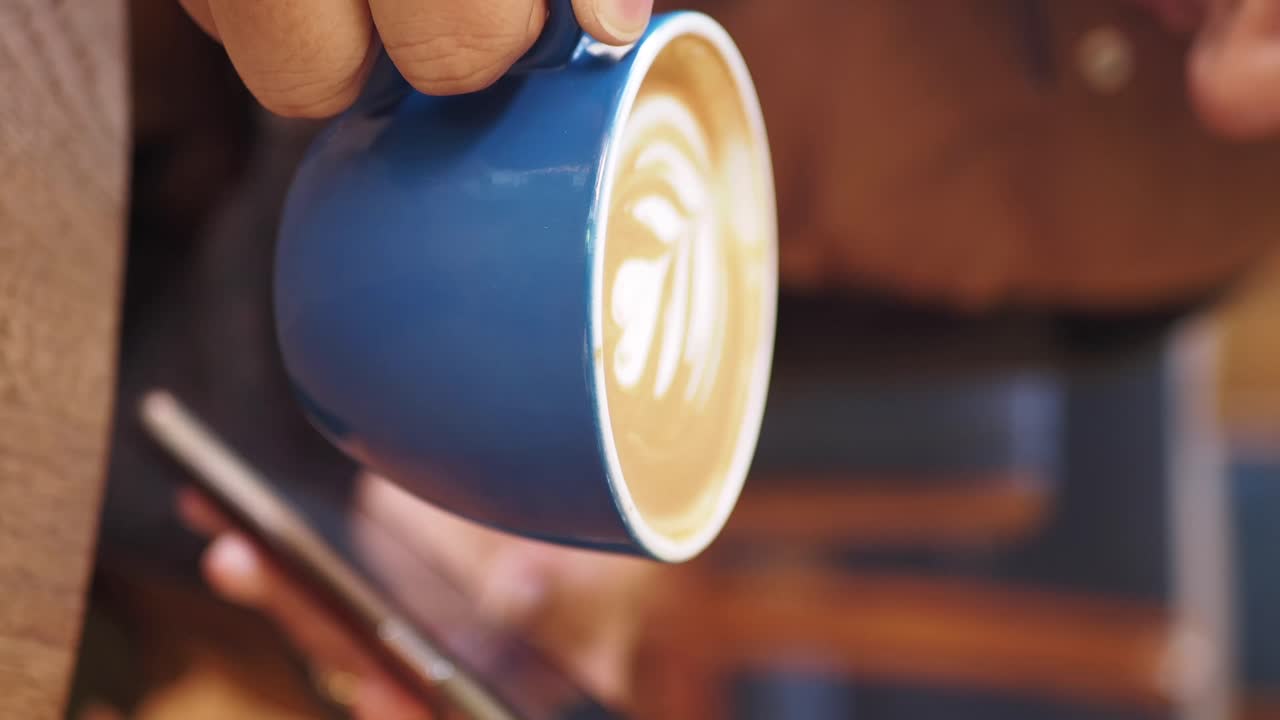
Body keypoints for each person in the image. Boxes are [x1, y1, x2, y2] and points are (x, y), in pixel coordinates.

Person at [176, 0, 1280, 717]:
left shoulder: (1191, 250)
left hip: (243, 377)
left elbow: (710, 396)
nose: (1233, 91)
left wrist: (527, 564)